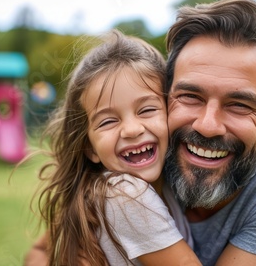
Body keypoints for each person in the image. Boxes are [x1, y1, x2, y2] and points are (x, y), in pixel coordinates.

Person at [25, 0, 256, 266]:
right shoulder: (136, 172)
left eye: (239, 104)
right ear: (167, 95)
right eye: (190, 96)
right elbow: (41, 253)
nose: (208, 126)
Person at [30, 30, 201, 266]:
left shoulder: (165, 185)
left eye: (147, 110)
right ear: (89, 148)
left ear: (170, 113)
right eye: (108, 121)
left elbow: (38, 251)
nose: (131, 130)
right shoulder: (126, 194)